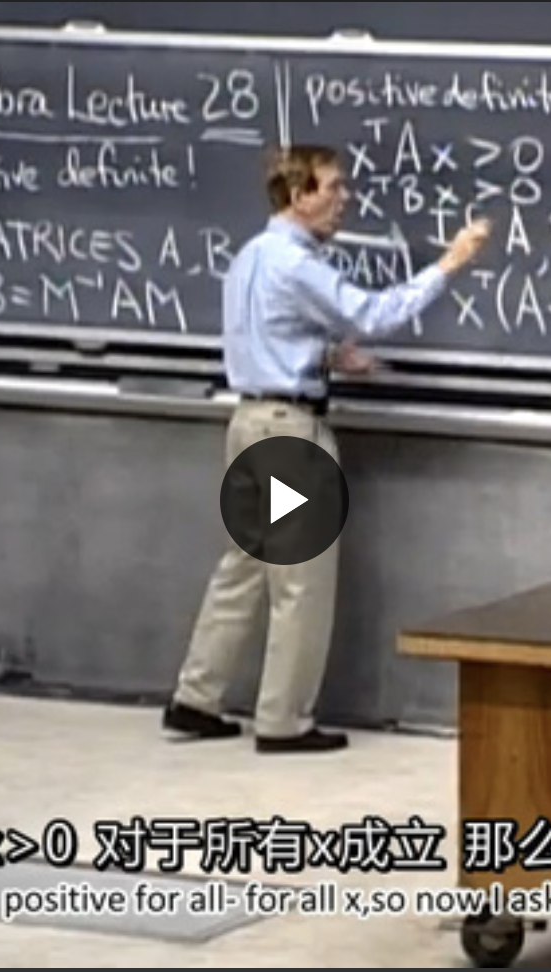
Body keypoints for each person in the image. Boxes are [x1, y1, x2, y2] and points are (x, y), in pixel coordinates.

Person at [162, 143, 492, 753]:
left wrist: (322, 355)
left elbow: (268, 336)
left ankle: (195, 698)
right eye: (334, 187)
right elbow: (375, 314)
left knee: (244, 568)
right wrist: (451, 262)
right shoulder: (297, 265)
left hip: (249, 426)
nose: (346, 199)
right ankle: (283, 721)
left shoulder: (250, 256)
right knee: (301, 580)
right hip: (291, 436)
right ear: (299, 195)